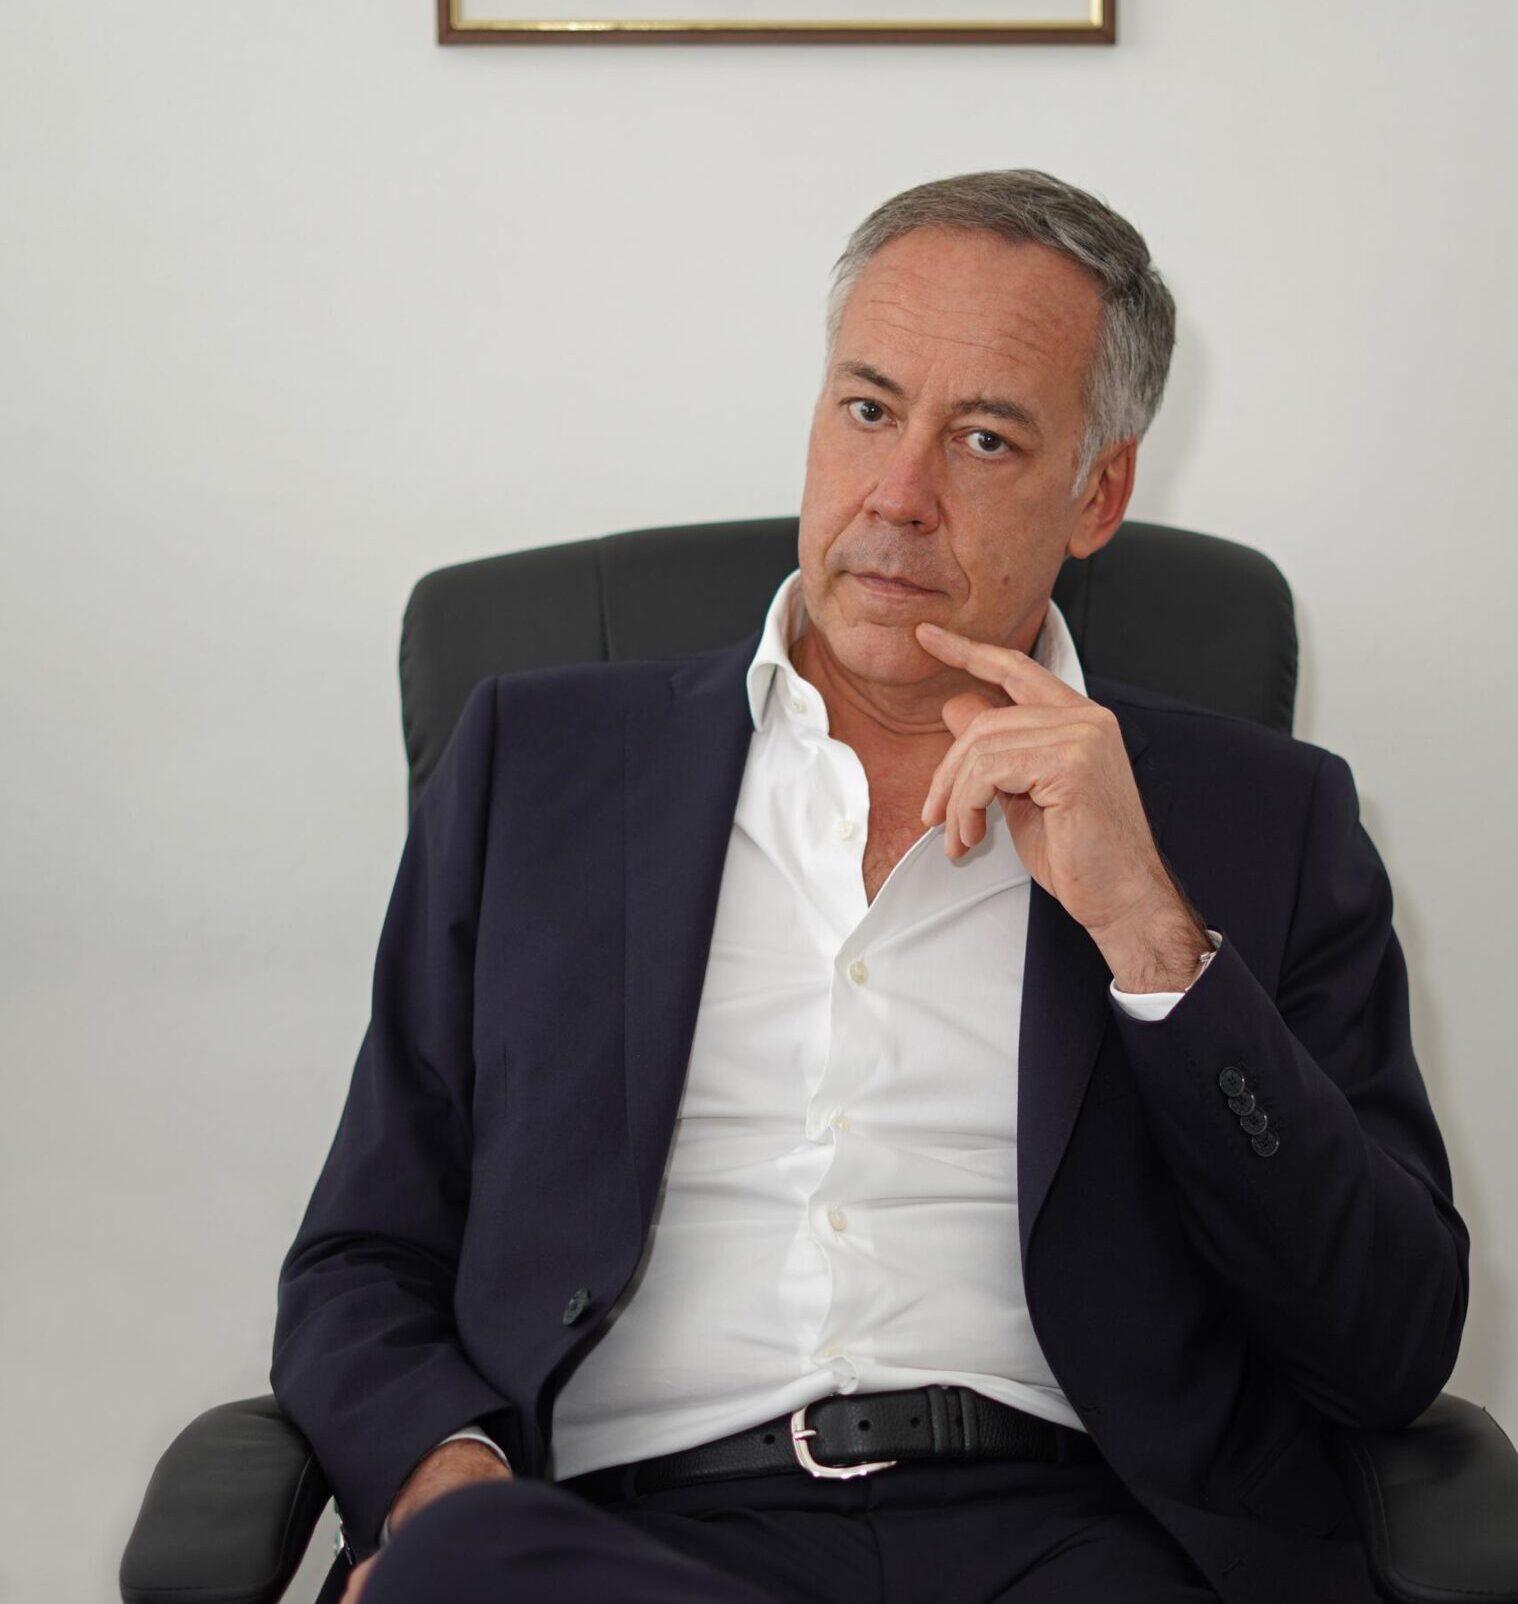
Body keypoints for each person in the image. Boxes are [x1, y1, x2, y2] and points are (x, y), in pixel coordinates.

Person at [271, 170, 1467, 1604]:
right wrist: (437, 1478)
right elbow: (364, 1249)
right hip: (632, 1542)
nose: (898, 496)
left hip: (1082, 1543)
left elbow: (1386, 1347)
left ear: (1096, 493)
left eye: (983, 439)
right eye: (867, 409)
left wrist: (1152, 936)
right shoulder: (538, 766)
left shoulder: (1262, 820)